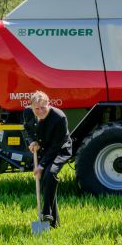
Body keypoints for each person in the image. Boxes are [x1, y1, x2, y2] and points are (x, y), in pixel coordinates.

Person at [24, 91, 72, 227]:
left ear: (48, 104)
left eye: (43, 108)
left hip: (60, 149)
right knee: (47, 182)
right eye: (36, 109)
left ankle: (46, 211)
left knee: (50, 174)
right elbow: (28, 129)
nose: (40, 111)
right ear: (31, 107)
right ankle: (53, 223)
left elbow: (57, 145)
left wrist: (41, 165)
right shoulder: (28, 112)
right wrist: (32, 141)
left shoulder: (59, 117)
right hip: (43, 149)